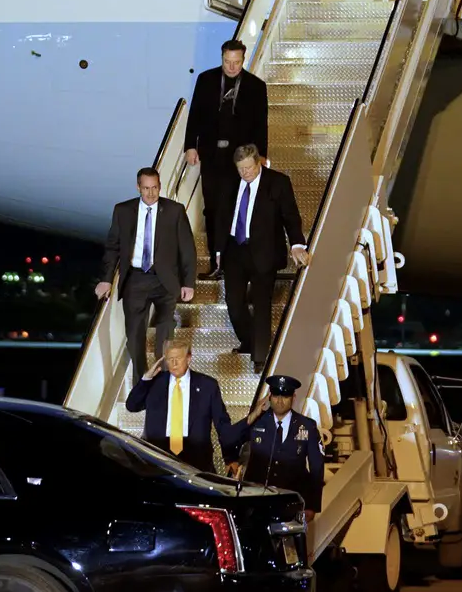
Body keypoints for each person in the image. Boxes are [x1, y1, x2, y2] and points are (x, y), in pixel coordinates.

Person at [95, 167, 196, 382]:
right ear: (138, 187)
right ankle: (143, 380)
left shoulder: (174, 210)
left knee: (165, 334)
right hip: (135, 279)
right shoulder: (122, 211)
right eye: (146, 188)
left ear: (160, 186)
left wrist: (188, 283)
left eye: (155, 188)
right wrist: (105, 280)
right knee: (134, 337)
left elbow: (187, 249)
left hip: (166, 280)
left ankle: (164, 381)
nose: (151, 193)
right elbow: (112, 247)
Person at [215, 144, 309, 373]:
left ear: (259, 163)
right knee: (234, 303)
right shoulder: (229, 181)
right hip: (235, 251)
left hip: (264, 252)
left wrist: (297, 245)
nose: (245, 173)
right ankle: (249, 340)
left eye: (248, 168)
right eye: (241, 169)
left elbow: (291, 216)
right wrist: (218, 251)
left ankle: (260, 356)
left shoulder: (277, 183)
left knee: (261, 304)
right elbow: (221, 216)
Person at [185, 39, 268, 279]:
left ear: (243, 60)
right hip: (212, 155)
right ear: (221, 58)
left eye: (236, 63)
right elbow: (195, 115)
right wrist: (191, 145)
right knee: (212, 209)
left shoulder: (255, 86)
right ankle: (216, 261)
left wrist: (261, 155)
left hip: (241, 157)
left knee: (236, 207)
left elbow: (261, 123)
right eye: (227, 62)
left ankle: (237, 261)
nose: (231, 67)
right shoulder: (206, 79)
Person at [125, 341, 240, 473]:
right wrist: (145, 379)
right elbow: (132, 405)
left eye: (178, 359)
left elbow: (222, 423)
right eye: (170, 359)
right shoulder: (154, 383)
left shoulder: (207, 385)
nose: (174, 364)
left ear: (188, 358)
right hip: (158, 457)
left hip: (196, 458)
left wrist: (230, 457)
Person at [233, 375, 324, 522]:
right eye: (276, 395)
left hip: (292, 500)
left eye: (285, 395)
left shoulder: (307, 426)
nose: (280, 400)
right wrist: (251, 417)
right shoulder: (257, 421)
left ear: (293, 397)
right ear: (269, 396)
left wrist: (312, 505)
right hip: (256, 500)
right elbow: (230, 438)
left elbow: (317, 468)